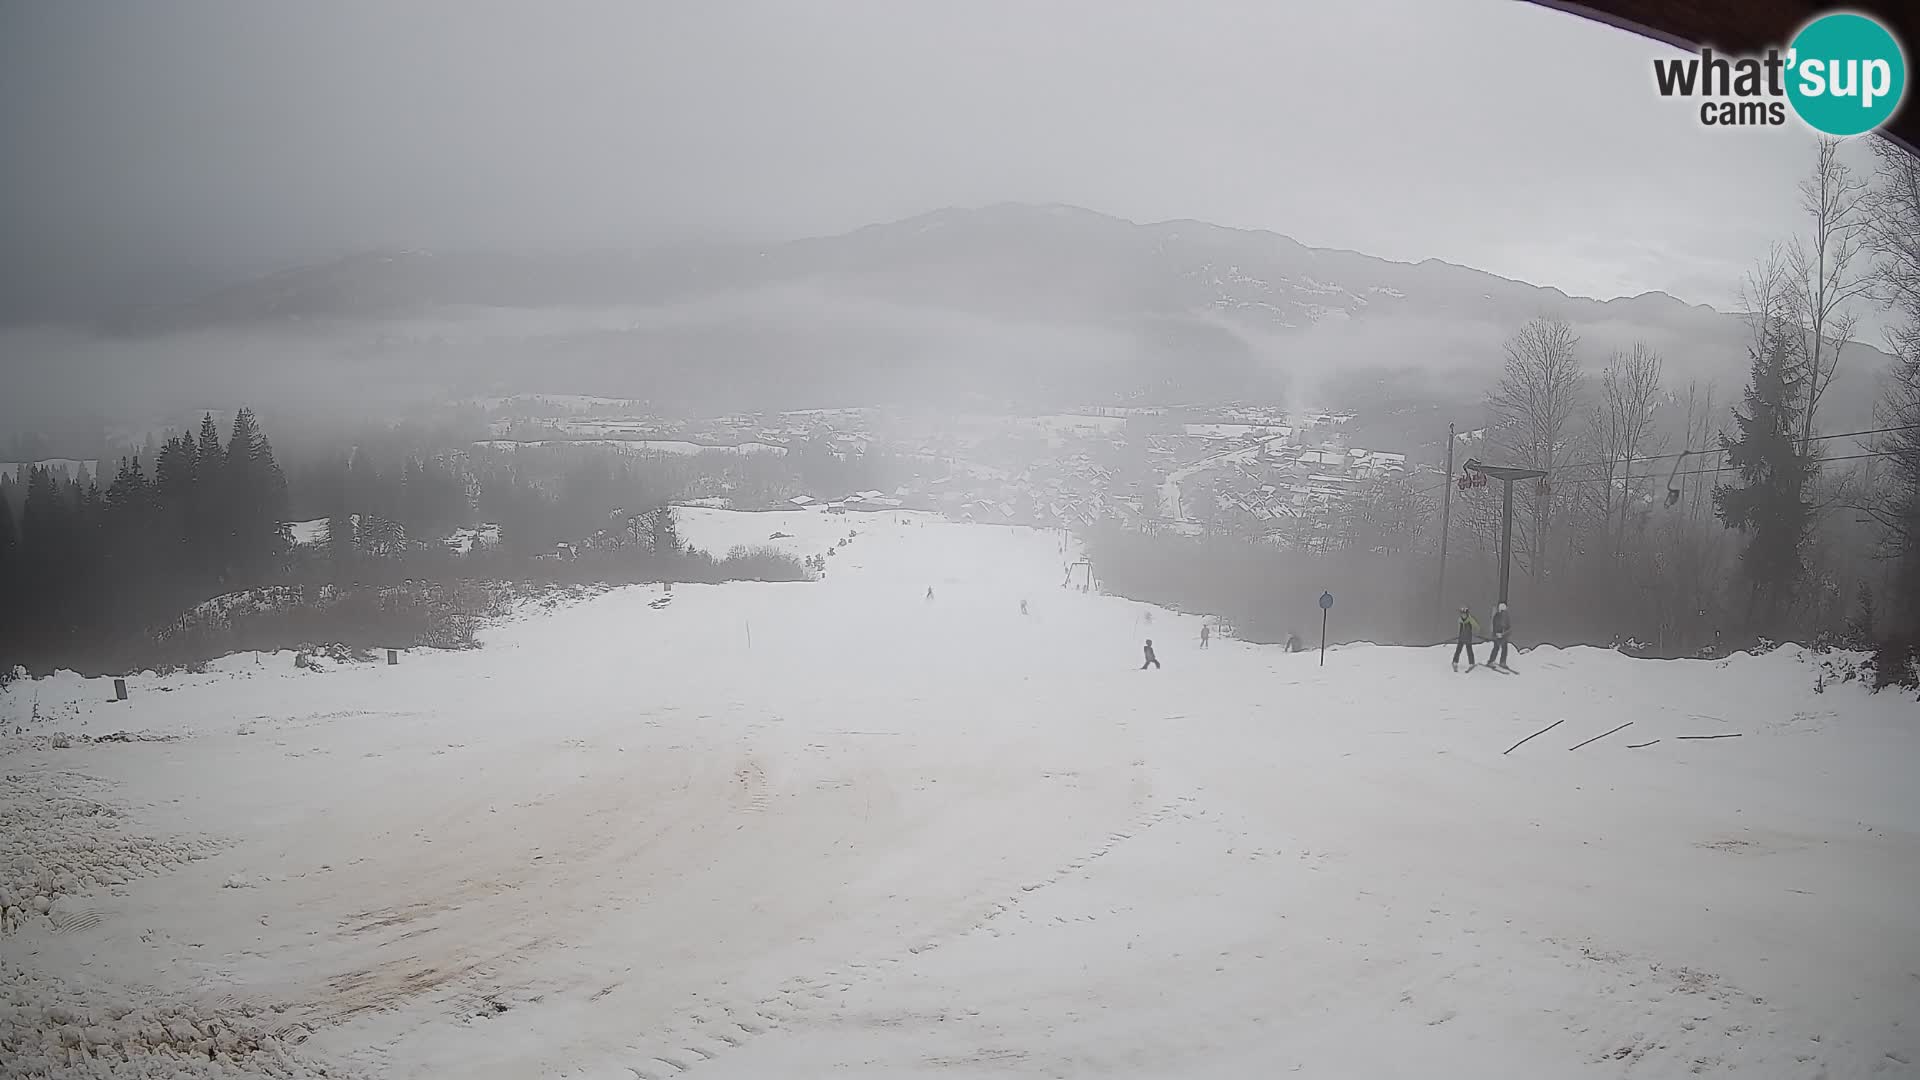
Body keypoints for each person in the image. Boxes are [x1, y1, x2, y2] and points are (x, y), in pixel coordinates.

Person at [1453, 607, 1480, 671]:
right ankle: (1455, 662)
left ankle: (1471, 663)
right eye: (1462, 614)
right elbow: (1459, 628)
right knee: (1458, 650)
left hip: (1468, 638)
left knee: (1469, 651)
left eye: (1464, 614)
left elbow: (1477, 626)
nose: (1463, 615)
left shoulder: (1470, 619)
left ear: (1467, 614)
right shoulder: (1460, 620)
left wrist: (1475, 633)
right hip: (1461, 638)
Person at [1489, 602, 1512, 670]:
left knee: (1504, 648)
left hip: (1503, 635)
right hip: (1497, 635)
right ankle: (1491, 661)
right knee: (1496, 647)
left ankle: (1502, 662)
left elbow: (1508, 626)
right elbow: (1495, 625)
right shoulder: (1497, 616)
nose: (1504, 611)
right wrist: (1496, 633)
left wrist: (1506, 633)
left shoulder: (1506, 616)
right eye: (1503, 610)